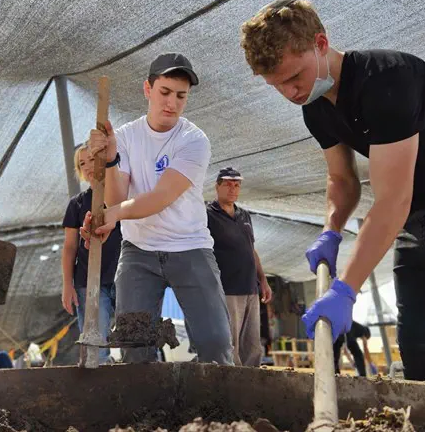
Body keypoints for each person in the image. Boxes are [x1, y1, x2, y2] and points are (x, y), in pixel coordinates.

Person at [241, 0, 425, 387]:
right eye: (278, 86)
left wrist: (345, 290)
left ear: (321, 44)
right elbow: (342, 181)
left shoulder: (387, 79)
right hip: (419, 213)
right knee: (416, 341)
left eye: (295, 77)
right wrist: (331, 229)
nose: (290, 92)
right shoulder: (315, 107)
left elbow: (392, 200)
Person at [82, 53, 234, 365]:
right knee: (134, 345)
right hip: (139, 252)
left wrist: (114, 215)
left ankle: (216, 409)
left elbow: (161, 196)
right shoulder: (124, 137)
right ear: (148, 89)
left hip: (189, 246)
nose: (172, 103)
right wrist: (110, 159)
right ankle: (147, 412)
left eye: (181, 96)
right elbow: (116, 196)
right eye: (165, 92)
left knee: (215, 345)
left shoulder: (194, 140)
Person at [206, 167, 273, 366]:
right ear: (217, 186)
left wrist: (263, 280)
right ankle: (232, 386)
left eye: (236, 185)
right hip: (227, 288)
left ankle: (252, 386)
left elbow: (251, 249)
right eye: (227, 184)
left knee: (253, 345)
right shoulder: (208, 215)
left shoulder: (244, 215)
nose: (232, 189)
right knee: (231, 343)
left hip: (250, 288)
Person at [61, 143, 121, 363]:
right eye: (81, 163)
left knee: (137, 337)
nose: (86, 166)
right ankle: (99, 389)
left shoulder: (121, 196)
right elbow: (69, 247)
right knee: (94, 345)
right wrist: (67, 284)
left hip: (124, 277)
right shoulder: (76, 204)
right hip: (89, 281)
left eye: (91, 160)